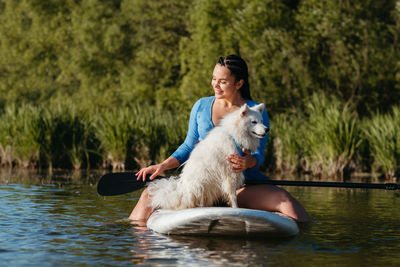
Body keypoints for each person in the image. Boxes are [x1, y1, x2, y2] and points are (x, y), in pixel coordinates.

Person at [129, 55, 311, 223]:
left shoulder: (255, 110)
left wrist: (248, 162)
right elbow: (188, 146)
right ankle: (138, 248)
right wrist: (163, 165)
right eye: (214, 79)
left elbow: (258, 155)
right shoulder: (201, 106)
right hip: (205, 186)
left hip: (240, 187)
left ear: (239, 83)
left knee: (286, 201)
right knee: (148, 195)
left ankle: (308, 243)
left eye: (223, 81)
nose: (216, 85)